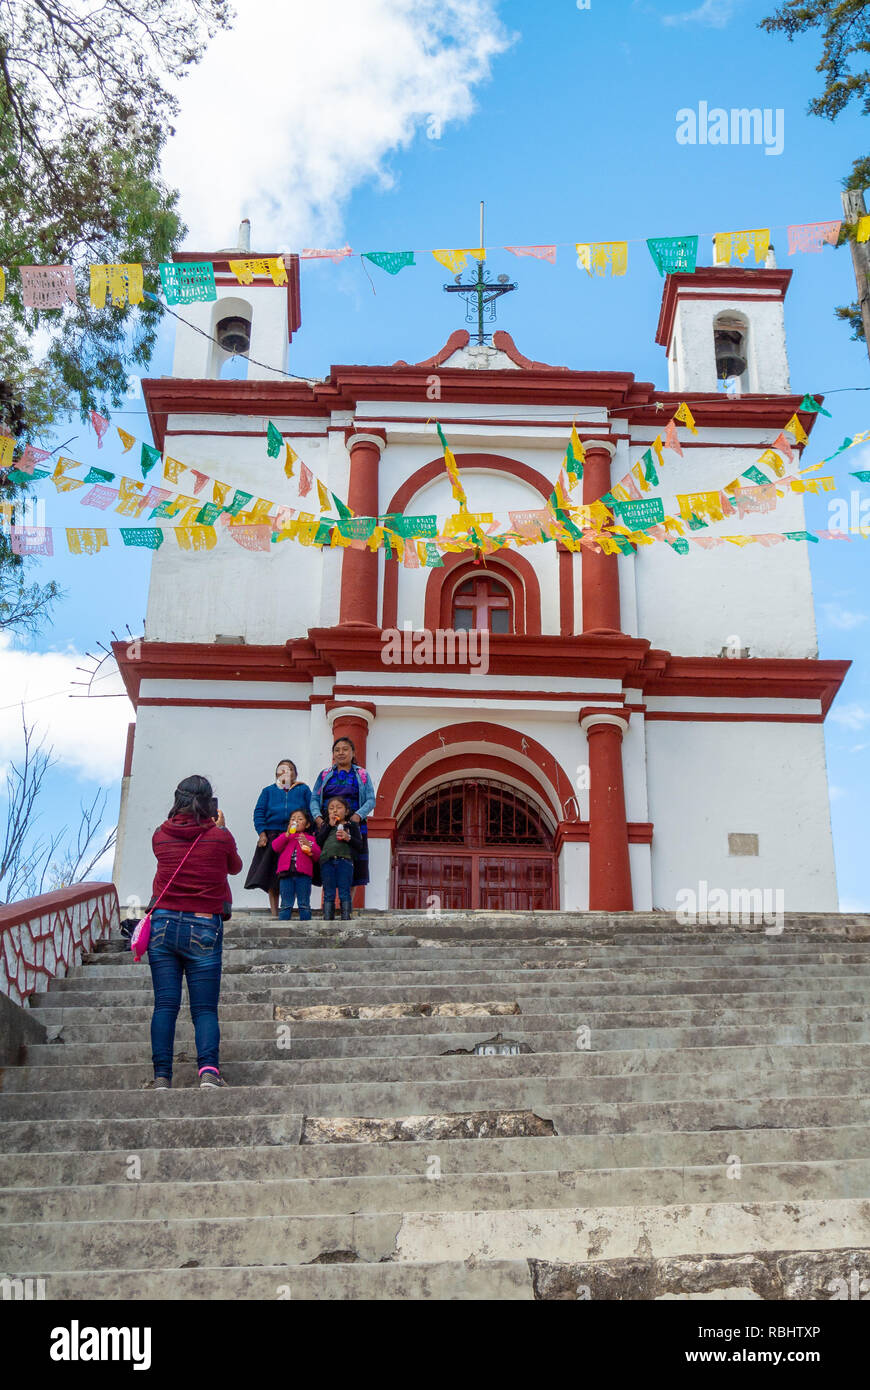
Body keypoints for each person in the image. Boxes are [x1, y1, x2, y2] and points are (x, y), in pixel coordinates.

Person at [146, 774, 242, 1090]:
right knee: (203, 1009)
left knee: (165, 1005)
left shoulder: (159, 836)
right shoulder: (219, 837)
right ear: (208, 803)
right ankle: (209, 1073)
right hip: (203, 926)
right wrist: (222, 828)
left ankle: (162, 1077)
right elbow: (235, 866)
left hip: (163, 926)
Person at [310, 738, 376, 911]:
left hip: (354, 825)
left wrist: (357, 816)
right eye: (337, 749)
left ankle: (347, 908)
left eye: (345, 749)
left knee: (353, 864)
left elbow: (370, 799)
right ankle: (329, 907)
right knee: (327, 861)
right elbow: (315, 798)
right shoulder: (325, 774)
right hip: (328, 824)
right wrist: (318, 818)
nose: (340, 752)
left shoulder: (361, 774)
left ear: (353, 753)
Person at [245, 760, 313, 917]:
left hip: (296, 836)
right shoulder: (268, 791)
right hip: (274, 836)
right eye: (281, 770)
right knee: (274, 875)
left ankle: (291, 908)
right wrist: (262, 833)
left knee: (296, 871)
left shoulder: (303, 790)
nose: (286, 773)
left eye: (290, 770)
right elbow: (259, 813)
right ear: (276, 774)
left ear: (295, 774)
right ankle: (276, 913)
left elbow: (310, 811)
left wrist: (310, 834)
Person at [315, 796, 363, 921]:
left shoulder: (351, 826)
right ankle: (328, 917)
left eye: (339, 807)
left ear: (346, 811)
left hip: (345, 861)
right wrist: (329, 826)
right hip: (327, 862)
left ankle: (346, 916)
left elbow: (359, 845)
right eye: (331, 808)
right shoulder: (326, 826)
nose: (335, 811)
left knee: (344, 890)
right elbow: (318, 841)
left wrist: (348, 838)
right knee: (328, 891)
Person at [271, 808, 321, 922]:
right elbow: (275, 847)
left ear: (307, 824)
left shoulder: (310, 838)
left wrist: (309, 845)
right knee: (285, 904)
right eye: (293, 819)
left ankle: (306, 926)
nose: (296, 821)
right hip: (286, 874)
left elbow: (317, 855)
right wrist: (287, 834)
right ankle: (283, 927)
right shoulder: (285, 836)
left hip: (303, 875)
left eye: (300, 819)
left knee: (303, 903)